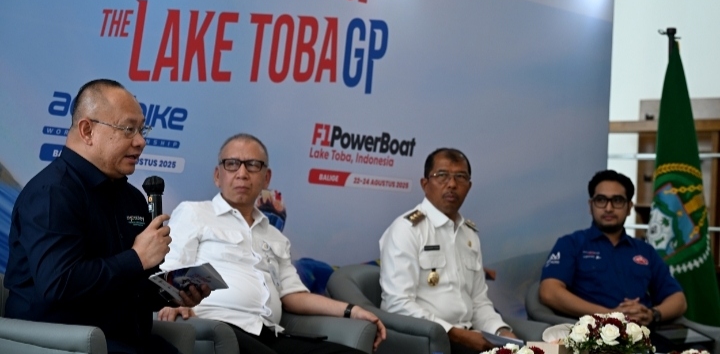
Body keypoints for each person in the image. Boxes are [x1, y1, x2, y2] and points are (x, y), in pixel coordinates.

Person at [5, 79, 208, 354]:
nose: (141, 141)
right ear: (87, 130)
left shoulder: (132, 198)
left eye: (142, 129)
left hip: (126, 339)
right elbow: (58, 284)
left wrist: (174, 293)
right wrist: (136, 257)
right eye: (128, 129)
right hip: (64, 343)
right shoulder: (53, 193)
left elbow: (132, 286)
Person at [157, 133, 387, 354]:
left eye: (252, 165)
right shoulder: (194, 213)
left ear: (266, 178)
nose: (242, 174)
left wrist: (352, 310)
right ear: (218, 175)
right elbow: (170, 271)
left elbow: (293, 295)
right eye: (232, 164)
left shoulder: (275, 236)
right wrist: (174, 303)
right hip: (218, 327)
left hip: (269, 333)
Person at [379, 148, 517, 354]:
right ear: (425, 184)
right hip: (426, 343)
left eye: (460, 177)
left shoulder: (469, 234)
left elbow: (479, 302)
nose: (452, 184)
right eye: (442, 175)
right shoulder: (406, 230)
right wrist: (454, 334)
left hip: (469, 338)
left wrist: (501, 332)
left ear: (469, 186)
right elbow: (397, 304)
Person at [539, 169, 687, 326]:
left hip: (644, 334)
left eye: (617, 200)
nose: (608, 208)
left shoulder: (645, 251)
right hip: (591, 335)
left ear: (629, 207)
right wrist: (609, 315)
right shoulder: (571, 244)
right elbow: (549, 292)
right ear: (591, 206)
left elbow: (679, 300)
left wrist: (652, 314)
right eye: (601, 200)